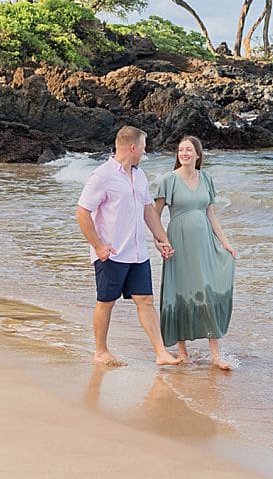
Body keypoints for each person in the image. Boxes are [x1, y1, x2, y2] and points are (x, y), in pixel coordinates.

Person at [76, 125, 182, 367]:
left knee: (145, 300)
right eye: (144, 147)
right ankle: (101, 351)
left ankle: (161, 353)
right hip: (111, 254)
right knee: (106, 302)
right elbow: (82, 212)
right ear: (133, 147)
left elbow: (148, 211)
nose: (145, 152)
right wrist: (99, 246)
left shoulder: (140, 175)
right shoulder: (102, 176)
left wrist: (162, 239)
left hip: (138, 253)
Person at [149, 135, 238, 370]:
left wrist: (226, 243)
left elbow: (211, 214)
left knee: (207, 291)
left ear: (198, 155)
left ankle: (216, 356)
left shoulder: (206, 178)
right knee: (180, 292)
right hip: (178, 242)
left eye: (189, 150)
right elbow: (153, 216)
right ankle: (182, 352)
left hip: (204, 243)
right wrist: (160, 241)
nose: (184, 153)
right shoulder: (168, 180)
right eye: (181, 150)